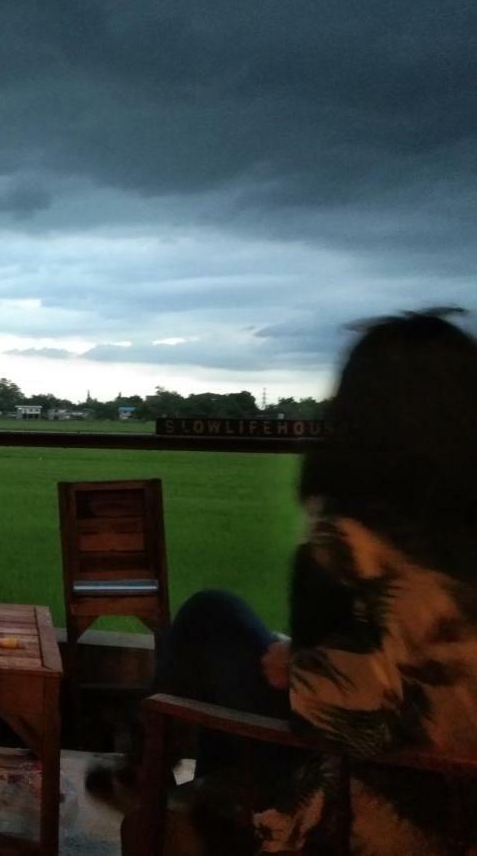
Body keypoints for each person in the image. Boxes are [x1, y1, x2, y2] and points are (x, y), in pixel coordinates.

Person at [94, 310, 477, 853]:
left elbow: (342, 716)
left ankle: (163, 773)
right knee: (218, 615)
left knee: (210, 619)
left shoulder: (348, 540)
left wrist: (299, 666)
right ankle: (175, 774)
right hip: (454, 784)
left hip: (366, 800)